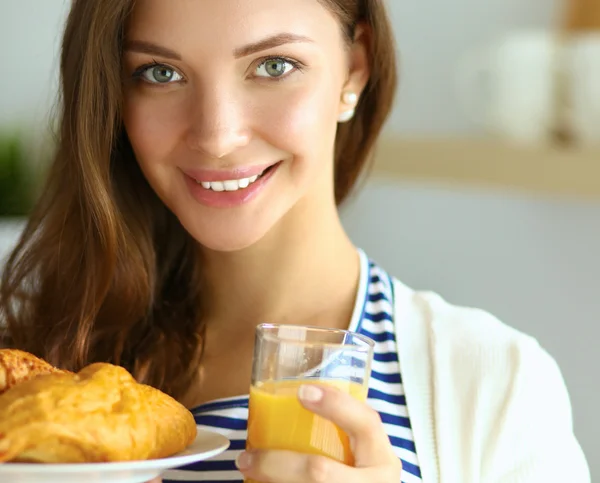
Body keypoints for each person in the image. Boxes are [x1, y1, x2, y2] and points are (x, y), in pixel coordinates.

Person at [0, 0, 591, 482]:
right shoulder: (30, 367)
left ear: (355, 68)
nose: (217, 136)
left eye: (274, 65)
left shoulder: (494, 383)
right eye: (162, 73)